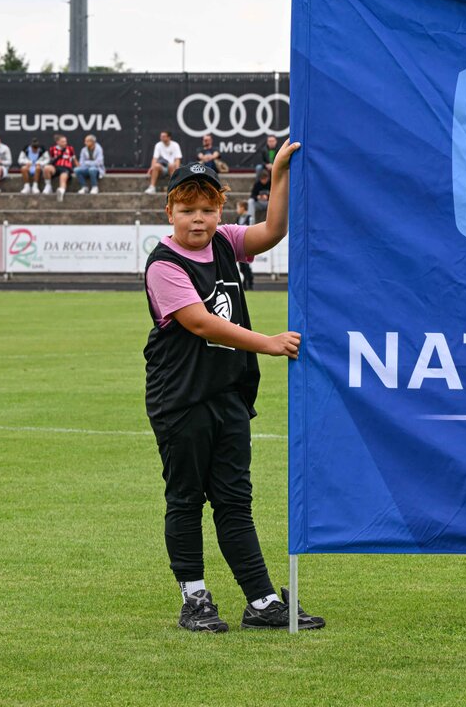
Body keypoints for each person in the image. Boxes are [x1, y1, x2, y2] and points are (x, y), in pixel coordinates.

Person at [143, 143, 324, 633]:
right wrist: (268, 343)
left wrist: (279, 173)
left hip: (228, 394)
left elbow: (273, 230)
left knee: (234, 499)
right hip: (181, 397)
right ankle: (195, 599)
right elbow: (201, 323)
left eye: (207, 209)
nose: (198, 219)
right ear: (170, 212)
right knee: (186, 498)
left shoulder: (225, 240)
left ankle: (262, 601)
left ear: (221, 210)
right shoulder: (164, 264)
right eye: (187, 210)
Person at [44, 134, 76, 201]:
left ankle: (61, 191)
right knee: (46, 168)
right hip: (56, 168)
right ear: (57, 142)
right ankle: (48, 186)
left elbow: (74, 160)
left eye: (65, 141)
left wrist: (78, 168)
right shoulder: (52, 149)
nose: (65, 143)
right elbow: (51, 159)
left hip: (66, 168)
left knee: (63, 178)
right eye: (63, 142)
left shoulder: (70, 148)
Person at [234, 200, 255, 290]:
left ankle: (250, 283)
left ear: (243, 208)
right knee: (242, 266)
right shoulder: (238, 219)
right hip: (240, 245)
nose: (237, 210)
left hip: (247, 244)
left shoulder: (250, 218)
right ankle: (244, 284)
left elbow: (252, 230)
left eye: (238, 208)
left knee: (246, 265)